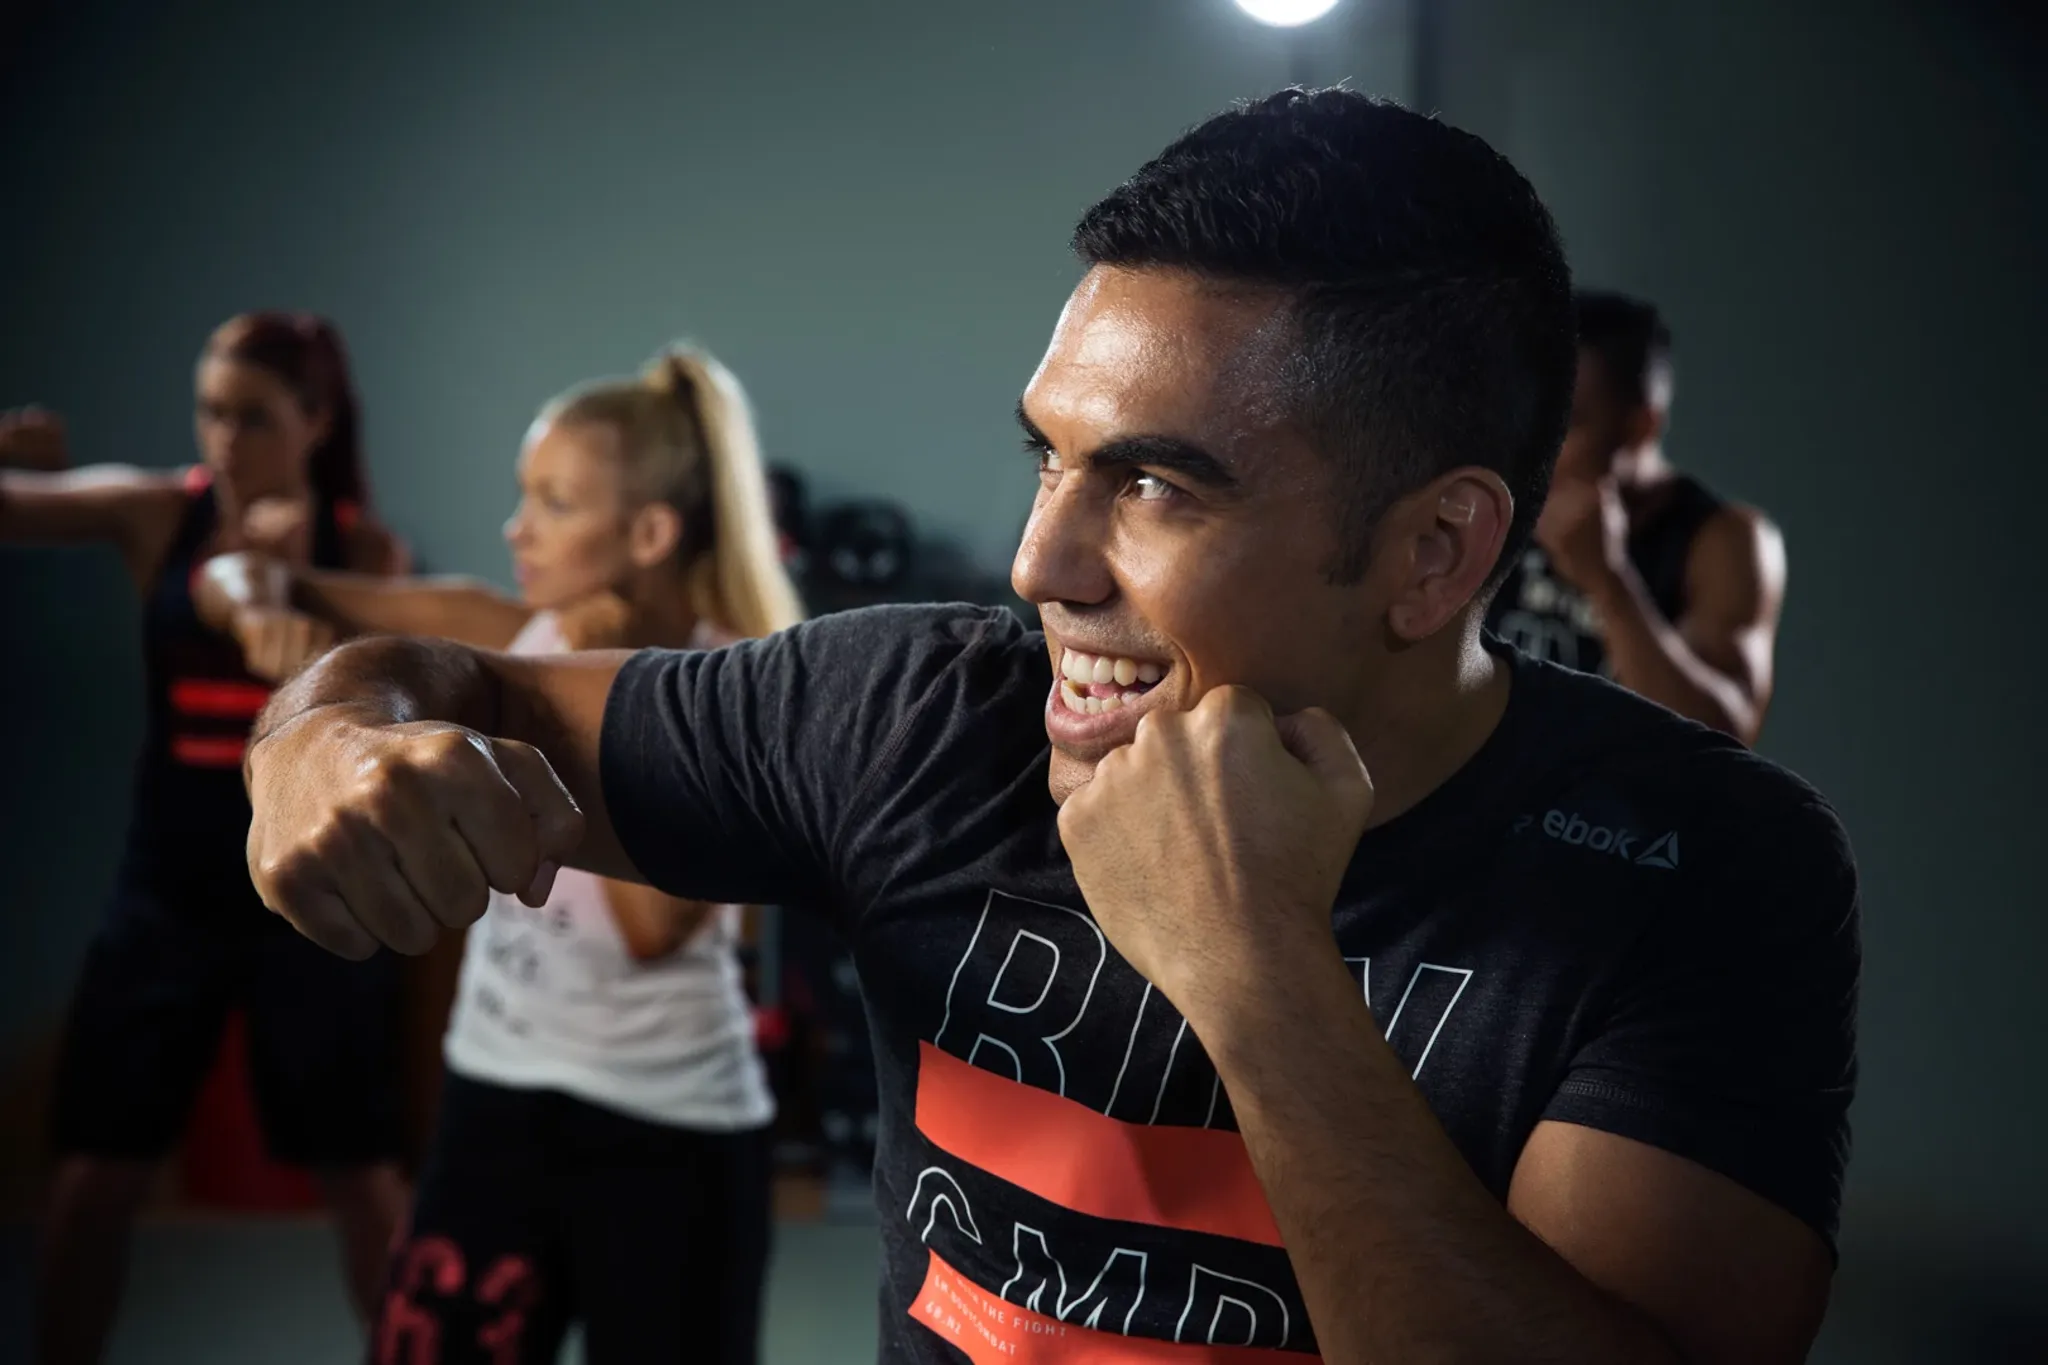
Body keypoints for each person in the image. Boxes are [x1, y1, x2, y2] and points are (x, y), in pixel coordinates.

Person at [240, 91, 1860, 1365]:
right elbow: (424, 679)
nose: (1041, 568)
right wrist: (317, 741)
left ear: (1431, 552)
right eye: (1047, 461)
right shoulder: (916, 718)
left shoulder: (1699, 869)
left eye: (1153, 484)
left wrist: (1255, 977)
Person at [201, 345, 800, 1364]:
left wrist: (600, 703)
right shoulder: (496, 635)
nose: (516, 529)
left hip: (671, 1127)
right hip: (495, 1098)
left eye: (555, 504)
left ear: (648, 533)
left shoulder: (733, 690)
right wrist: (256, 610)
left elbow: (655, 934)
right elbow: (241, 578)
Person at [0, 313, 411, 1365]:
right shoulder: (159, 514)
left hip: (312, 899)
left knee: (361, 1175)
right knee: (95, 1172)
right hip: (168, 893)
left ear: (314, 423)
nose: (226, 440)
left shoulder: (361, 549)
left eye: (255, 417)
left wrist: (300, 596)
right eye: (212, 413)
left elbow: (395, 707)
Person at [1486, 290, 1788, 743]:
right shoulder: (1501, 497)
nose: (1536, 447)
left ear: (1639, 427)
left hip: (1619, 810)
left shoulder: (1721, 541)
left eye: (1567, 424)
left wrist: (1609, 581)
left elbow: (1721, 736)